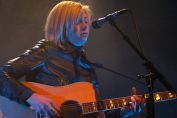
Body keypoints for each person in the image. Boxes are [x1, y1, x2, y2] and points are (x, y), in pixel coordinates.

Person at [0, 1, 146, 118]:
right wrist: (32, 97)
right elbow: (2, 74)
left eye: (86, 21)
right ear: (62, 25)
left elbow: (95, 112)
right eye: (78, 22)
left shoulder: (87, 67)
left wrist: (124, 112)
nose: (85, 27)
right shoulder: (46, 51)